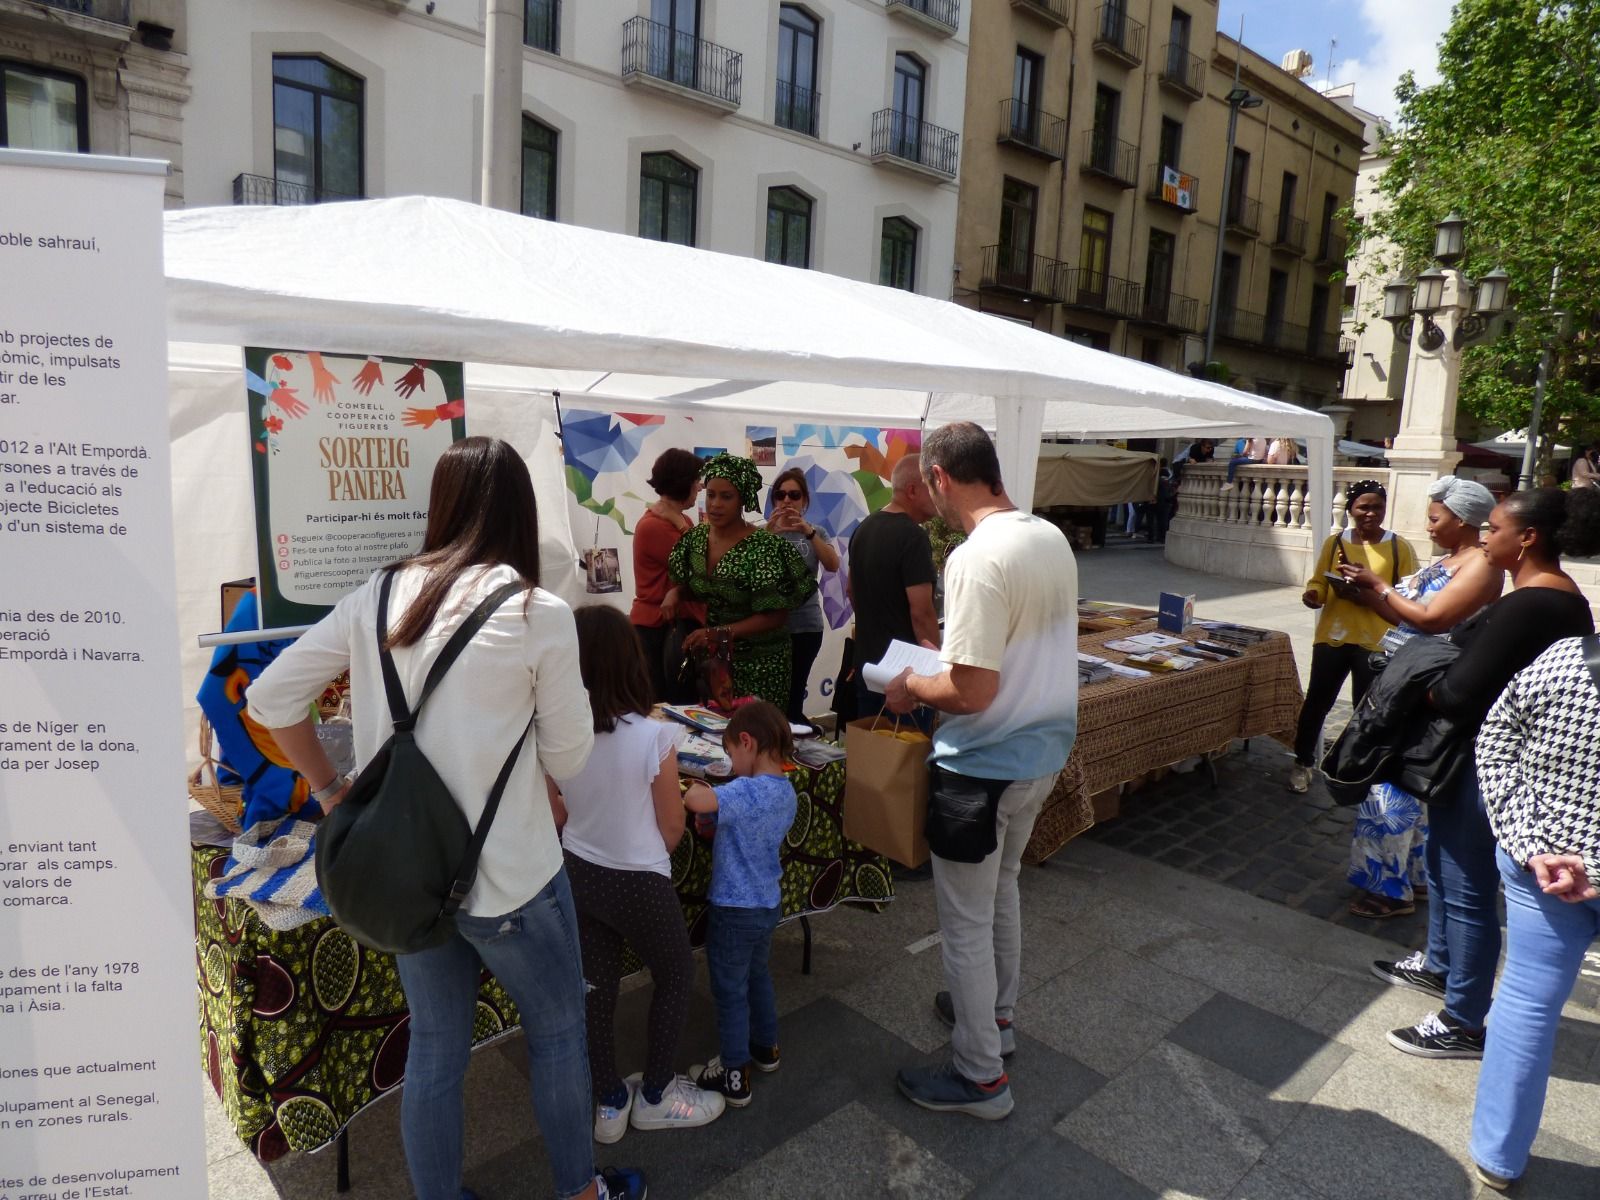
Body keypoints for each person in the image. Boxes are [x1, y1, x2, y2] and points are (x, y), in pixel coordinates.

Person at [246, 437, 645, 1200]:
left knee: (435, 1048)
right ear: (521, 512)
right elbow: (568, 762)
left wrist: (331, 791)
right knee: (559, 1033)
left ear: (442, 505)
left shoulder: (378, 594)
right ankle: (581, 1192)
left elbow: (269, 700)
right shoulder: (537, 611)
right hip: (515, 878)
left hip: (408, 875)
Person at [883, 422, 1079, 1121]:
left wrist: (911, 684)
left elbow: (970, 690)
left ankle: (980, 1076)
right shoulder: (1047, 536)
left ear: (939, 479)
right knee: (1001, 892)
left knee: (964, 920)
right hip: (1043, 753)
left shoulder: (973, 557)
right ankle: (995, 1020)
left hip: (984, 765)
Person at [1375, 487, 1600, 1060]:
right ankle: (1441, 965)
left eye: (1494, 528)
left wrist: (1413, 682)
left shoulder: (1534, 603)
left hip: (1487, 764)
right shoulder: (1549, 598)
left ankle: (1463, 1019)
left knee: (1466, 884)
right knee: (1444, 869)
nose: (1484, 536)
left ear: (1527, 539)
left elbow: (1458, 692)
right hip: (1475, 758)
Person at [551, 605, 724, 1144]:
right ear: (631, 661)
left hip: (580, 868)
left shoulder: (556, 736)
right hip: (640, 875)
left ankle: (608, 1100)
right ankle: (654, 1094)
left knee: (595, 987)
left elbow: (558, 813)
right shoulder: (654, 736)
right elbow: (672, 825)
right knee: (674, 973)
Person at [1469, 636, 1600, 1192]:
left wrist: (1532, 844)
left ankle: (1499, 1155)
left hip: (1544, 867)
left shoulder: (1567, 658)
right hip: (1550, 865)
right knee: (1526, 1003)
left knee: (1526, 1002)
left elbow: (1496, 740)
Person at [1340, 477, 1503, 918]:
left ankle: (1386, 888)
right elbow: (1401, 612)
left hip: (1427, 685)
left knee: (1392, 780)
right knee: (1398, 779)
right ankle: (1407, 877)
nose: (1428, 527)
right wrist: (1365, 592)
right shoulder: (1453, 560)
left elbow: (1432, 620)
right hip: (1404, 678)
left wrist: (1381, 584)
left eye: (1435, 518)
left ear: (1463, 519)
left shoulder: (1482, 564)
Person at [681, 701, 799, 1108]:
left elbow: (698, 801)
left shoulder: (744, 789)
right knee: (758, 977)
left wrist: (698, 787)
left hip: (733, 909)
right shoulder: (786, 792)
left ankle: (734, 1073)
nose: (730, 762)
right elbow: (747, 830)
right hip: (766, 904)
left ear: (747, 742)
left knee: (729, 992)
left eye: (730, 754)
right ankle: (766, 1049)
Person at [1289, 480, 1418, 793]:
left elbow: (1410, 594)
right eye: (1364, 507)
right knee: (1317, 702)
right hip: (1334, 635)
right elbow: (1318, 580)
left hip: (1376, 641)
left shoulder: (1399, 547)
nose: (1371, 513)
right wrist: (1314, 594)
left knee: (1366, 709)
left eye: (1377, 507)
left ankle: (1352, 767)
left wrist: (1371, 594)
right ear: (1350, 509)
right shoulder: (1336, 543)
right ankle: (1302, 762)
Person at [665, 453, 816, 708]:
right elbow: (702, 588)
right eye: (711, 494)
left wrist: (717, 634)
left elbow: (776, 616)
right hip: (717, 663)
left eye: (726, 497)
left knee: (757, 739)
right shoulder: (695, 539)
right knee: (715, 738)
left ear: (743, 499)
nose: (715, 505)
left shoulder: (763, 547)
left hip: (762, 665)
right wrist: (677, 594)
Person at [848, 456, 941, 715]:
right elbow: (921, 612)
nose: (938, 494)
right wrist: (934, 669)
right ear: (912, 490)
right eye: (932, 487)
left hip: (869, 666)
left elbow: (850, 592)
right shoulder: (913, 536)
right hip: (906, 675)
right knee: (907, 753)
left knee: (875, 752)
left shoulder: (864, 528)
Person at [764, 466, 840, 724]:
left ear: (804, 500)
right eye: (780, 494)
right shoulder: (764, 533)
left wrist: (807, 532)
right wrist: (768, 533)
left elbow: (833, 564)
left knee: (795, 693)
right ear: (774, 499)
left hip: (806, 625)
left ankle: (793, 749)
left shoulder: (816, 532)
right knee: (772, 696)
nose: (786, 500)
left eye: (794, 495)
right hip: (770, 627)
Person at [629, 448, 703, 701]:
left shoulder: (678, 521)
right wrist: (681, 524)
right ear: (684, 483)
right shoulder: (656, 526)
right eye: (697, 480)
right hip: (659, 629)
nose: (700, 487)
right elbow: (701, 566)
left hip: (670, 626)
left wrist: (680, 522)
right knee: (668, 705)